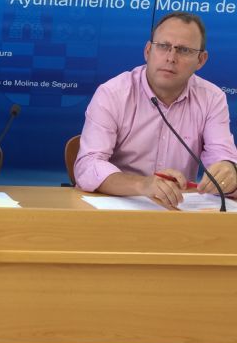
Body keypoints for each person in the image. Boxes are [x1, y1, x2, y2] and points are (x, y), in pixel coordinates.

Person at [74, 11, 237, 208]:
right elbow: (88, 166)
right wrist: (143, 185)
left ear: (201, 60)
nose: (171, 57)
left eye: (184, 50)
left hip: (178, 210)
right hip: (118, 207)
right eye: (163, 46)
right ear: (148, 51)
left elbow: (222, 156)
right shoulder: (113, 94)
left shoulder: (212, 98)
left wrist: (228, 170)